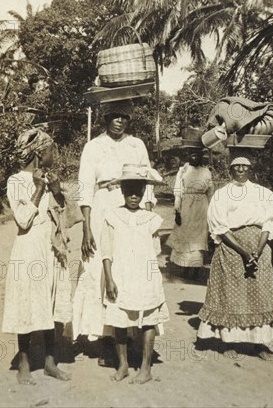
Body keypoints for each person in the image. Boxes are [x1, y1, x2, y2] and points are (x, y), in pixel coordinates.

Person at [72, 101, 157, 352]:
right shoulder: (94, 147)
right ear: (106, 118)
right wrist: (87, 229)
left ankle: (129, 332)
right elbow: (85, 187)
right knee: (99, 267)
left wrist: (146, 219)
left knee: (129, 266)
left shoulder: (136, 144)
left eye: (125, 117)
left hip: (131, 208)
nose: (120, 120)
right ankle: (105, 336)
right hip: (102, 206)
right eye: (115, 116)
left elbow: (148, 183)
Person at [2, 128, 79, 384]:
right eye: (50, 150)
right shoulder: (16, 181)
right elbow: (23, 221)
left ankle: (49, 362)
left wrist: (57, 191)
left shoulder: (51, 179)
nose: (53, 154)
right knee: (26, 301)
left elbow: (68, 217)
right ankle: (24, 363)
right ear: (38, 153)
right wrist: (38, 188)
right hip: (29, 248)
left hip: (51, 248)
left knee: (51, 302)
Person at [197, 157, 273, 360]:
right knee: (231, 295)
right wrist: (243, 251)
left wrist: (258, 251)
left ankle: (259, 344)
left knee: (260, 295)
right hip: (231, 248)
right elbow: (220, 227)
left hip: (259, 248)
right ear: (230, 170)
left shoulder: (262, 193)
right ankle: (230, 343)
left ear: (250, 169)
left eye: (245, 166)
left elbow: (266, 224)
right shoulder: (222, 195)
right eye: (237, 167)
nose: (241, 170)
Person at [101, 164, 169, 384]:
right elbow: (106, 252)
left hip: (145, 276)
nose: (133, 195)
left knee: (149, 320)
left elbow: (155, 251)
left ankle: (146, 368)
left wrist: (153, 280)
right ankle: (123, 365)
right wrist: (110, 279)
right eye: (129, 189)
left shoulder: (151, 219)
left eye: (138, 190)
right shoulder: (112, 216)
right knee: (119, 320)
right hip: (120, 275)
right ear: (121, 190)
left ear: (143, 191)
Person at [167, 149, 214, 280]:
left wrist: (211, 210)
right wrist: (177, 210)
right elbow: (178, 191)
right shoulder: (183, 170)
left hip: (201, 207)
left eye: (197, 155)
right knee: (185, 234)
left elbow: (210, 191)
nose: (194, 157)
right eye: (192, 155)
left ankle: (196, 268)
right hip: (186, 205)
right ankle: (186, 267)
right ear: (188, 156)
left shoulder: (206, 171)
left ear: (201, 156)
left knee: (199, 237)